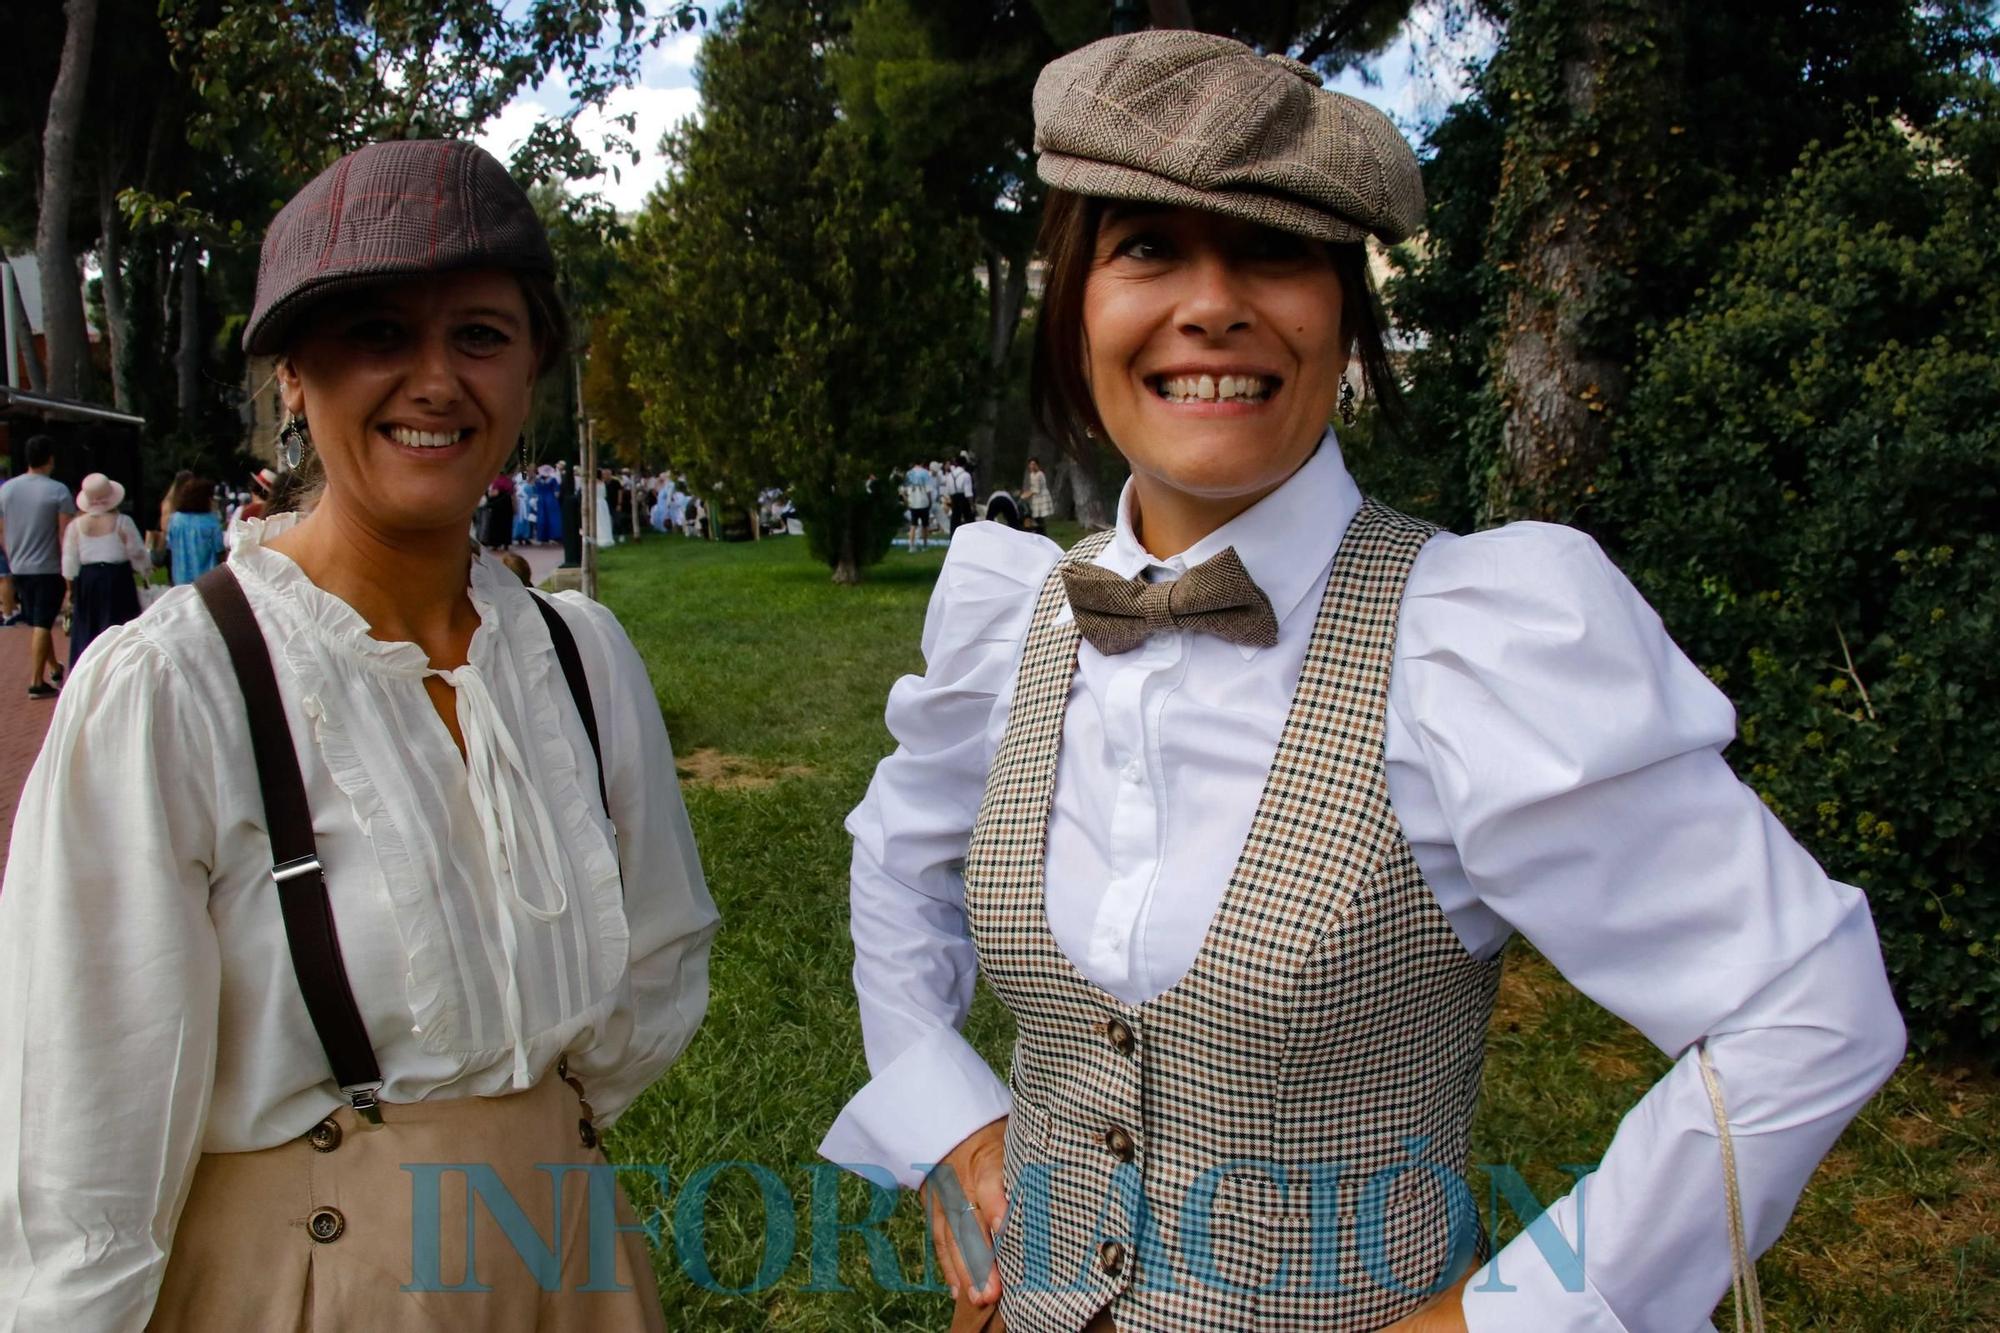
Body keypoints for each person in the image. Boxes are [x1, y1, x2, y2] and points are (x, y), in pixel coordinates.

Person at [819, 32, 1905, 1333]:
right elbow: (896, 861)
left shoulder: (1468, 641)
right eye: (1147, 247)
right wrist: (950, 1120)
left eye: (1271, 250)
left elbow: (1811, 1006)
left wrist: (1503, 1319)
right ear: (1077, 303)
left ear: (1342, 312)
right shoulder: (1015, 616)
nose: (1211, 302)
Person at [0, 138, 719, 1328]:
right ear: (294, 377)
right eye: (379, 335)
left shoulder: (581, 656)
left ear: (532, 364)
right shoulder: (177, 687)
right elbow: (85, 1114)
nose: (435, 381)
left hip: (568, 1258)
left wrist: (506, 1125)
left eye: (481, 335)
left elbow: (656, 956)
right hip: (305, 1288)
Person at [0, 434, 76, 697]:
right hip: (48, 566)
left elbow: (2, 529)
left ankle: (54, 667)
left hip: (18, 564)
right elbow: (65, 534)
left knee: (37, 620)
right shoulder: (57, 491)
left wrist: (11, 554)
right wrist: (70, 575)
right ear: (50, 459)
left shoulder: (6, 490)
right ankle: (35, 682)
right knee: (43, 624)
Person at [60, 471, 150, 669]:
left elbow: (69, 561)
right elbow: (136, 552)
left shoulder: (75, 526)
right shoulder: (122, 522)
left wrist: (70, 588)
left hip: (88, 578)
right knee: (119, 626)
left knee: (87, 629)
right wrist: (144, 572)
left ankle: (87, 668)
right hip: (117, 577)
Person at [165, 477, 225, 585]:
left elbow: (169, 548)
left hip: (179, 578)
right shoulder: (211, 521)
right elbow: (219, 550)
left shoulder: (175, 520)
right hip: (206, 580)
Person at [904, 461, 935, 550]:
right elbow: (929, 489)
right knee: (925, 525)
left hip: (913, 501)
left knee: (913, 525)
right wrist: (930, 501)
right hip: (923, 500)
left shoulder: (909, 473)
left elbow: (905, 490)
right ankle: (925, 545)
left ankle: (911, 545)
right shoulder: (925, 472)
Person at [1018, 457, 1054, 534]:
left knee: (1039, 517)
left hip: (1041, 498)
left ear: (1037, 465)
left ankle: (1043, 533)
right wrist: (1025, 494)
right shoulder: (1032, 475)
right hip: (1036, 498)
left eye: (1034, 464)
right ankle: (1040, 532)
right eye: (1030, 464)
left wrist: (1025, 496)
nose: (1032, 466)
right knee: (1036, 517)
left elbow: (1036, 490)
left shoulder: (1039, 475)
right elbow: (1033, 488)